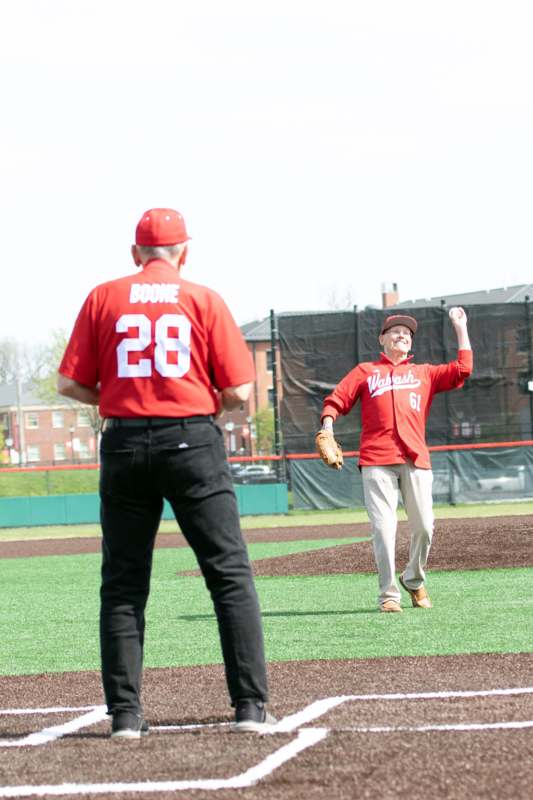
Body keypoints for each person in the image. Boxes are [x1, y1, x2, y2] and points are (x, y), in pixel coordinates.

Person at [57, 207, 274, 736]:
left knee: (124, 583)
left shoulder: (104, 296)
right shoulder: (203, 298)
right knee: (228, 574)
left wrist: (117, 398)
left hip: (125, 443)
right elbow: (239, 390)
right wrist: (205, 406)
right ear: (184, 252)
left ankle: (125, 716)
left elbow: (68, 384)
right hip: (192, 440)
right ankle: (249, 707)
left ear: (136, 253)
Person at [316, 309, 472, 612]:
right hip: (376, 459)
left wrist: (461, 327)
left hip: (415, 459)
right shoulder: (366, 371)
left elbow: (463, 369)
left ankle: (413, 578)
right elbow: (337, 399)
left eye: (407, 333)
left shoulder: (424, 373)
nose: (402, 335)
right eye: (396, 331)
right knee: (383, 529)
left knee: (424, 527)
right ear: (382, 339)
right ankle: (388, 595)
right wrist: (327, 426)